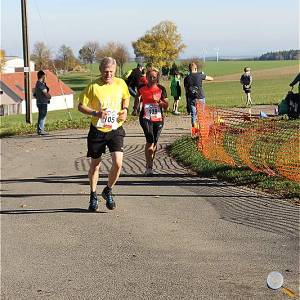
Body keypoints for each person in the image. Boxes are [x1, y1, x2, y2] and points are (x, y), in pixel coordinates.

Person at [78, 57, 130, 212]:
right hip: (97, 130)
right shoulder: (93, 87)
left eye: (111, 72)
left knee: (118, 163)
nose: (108, 75)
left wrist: (125, 110)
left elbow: (126, 97)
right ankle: (93, 195)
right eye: (106, 71)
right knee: (96, 165)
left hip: (115, 129)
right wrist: (96, 112)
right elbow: (80, 106)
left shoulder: (120, 83)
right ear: (101, 71)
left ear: (115, 71)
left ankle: (108, 190)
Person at [134, 68, 168, 176]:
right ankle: (149, 167)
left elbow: (166, 106)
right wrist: (135, 107)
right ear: (146, 77)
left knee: (154, 142)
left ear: (157, 78)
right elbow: (137, 97)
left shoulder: (161, 89)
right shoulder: (141, 87)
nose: (152, 79)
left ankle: (150, 163)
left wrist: (159, 102)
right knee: (150, 141)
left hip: (158, 118)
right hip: (145, 117)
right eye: (150, 77)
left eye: (154, 77)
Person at [184, 62, 213, 129]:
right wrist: (202, 74)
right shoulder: (199, 75)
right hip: (200, 97)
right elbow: (211, 78)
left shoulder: (186, 78)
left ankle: (194, 129)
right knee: (201, 114)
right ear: (196, 68)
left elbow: (186, 91)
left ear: (189, 69)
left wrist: (187, 103)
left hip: (191, 98)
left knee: (193, 115)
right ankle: (202, 129)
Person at [35, 70, 51, 135]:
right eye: (44, 76)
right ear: (42, 76)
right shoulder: (40, 84)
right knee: (42, 116)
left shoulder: (37, 84)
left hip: (39, 101)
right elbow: (45, 93)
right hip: (42, 102)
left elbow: (35, 94)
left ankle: (40, 129)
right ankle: (41, 130)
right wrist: (49, 96)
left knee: (41, 116)